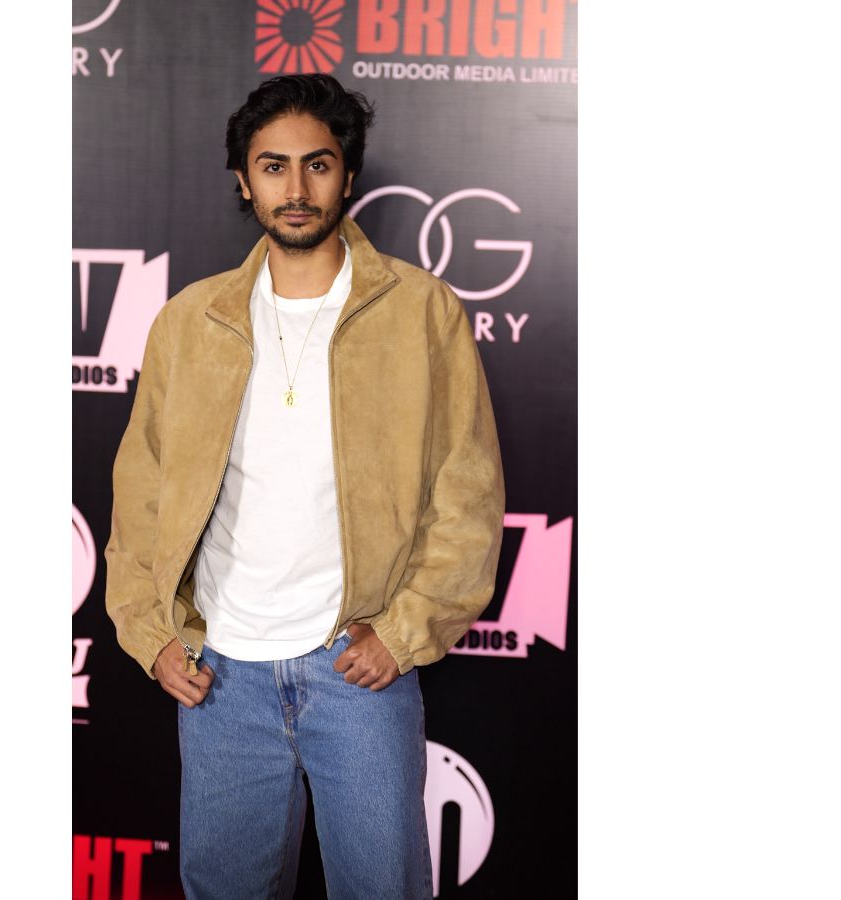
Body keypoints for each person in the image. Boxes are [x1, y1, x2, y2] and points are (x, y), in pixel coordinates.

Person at [105, 73, 505, 900]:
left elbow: (467, 494)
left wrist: (403, 631)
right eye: (273, 166)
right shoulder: (191, 321)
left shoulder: (421, 312)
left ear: (347, 175)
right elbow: (142, 491)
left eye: (317, 164)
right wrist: (152, 634)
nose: (296, 187)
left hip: (356, 668)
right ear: (243, 181)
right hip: (219, 675)